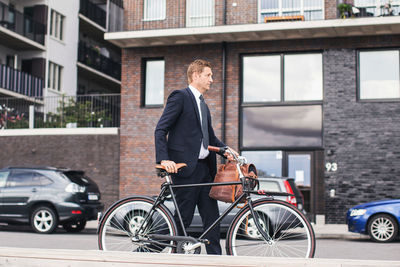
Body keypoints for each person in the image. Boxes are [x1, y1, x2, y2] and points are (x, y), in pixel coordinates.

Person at [154, 59, 237, 255]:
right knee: (183, 218)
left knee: (212, 220)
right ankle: (171, 255)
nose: (212, 80)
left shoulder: (204, 106)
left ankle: (216, 260)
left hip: (204, 170)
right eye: (208, 75)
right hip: (184, 169)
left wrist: (226, 149)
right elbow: (161, 129)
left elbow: (210, 138)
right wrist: (164, 159)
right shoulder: (180, 97)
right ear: (196, 75)